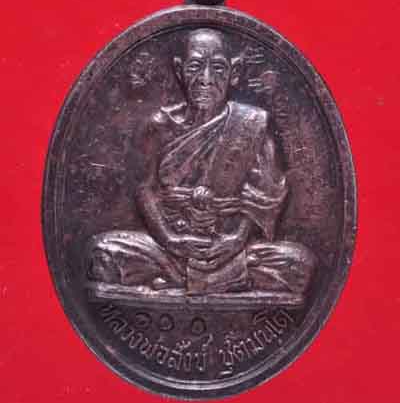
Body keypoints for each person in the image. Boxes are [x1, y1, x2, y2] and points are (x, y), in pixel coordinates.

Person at [87, 29, 316, 297]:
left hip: (229, 249)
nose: (206, 79)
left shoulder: (252, 125)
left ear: (234, 72)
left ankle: (187, 281)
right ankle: (214, 281)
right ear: (180, 70)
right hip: (171, 247)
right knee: (101, 252)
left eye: (217, 68)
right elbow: (145, 189)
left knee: (299, 265)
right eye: (195, 66)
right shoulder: (159, 126)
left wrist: (234, 242)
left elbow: (263, 199)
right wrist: (171, 240)